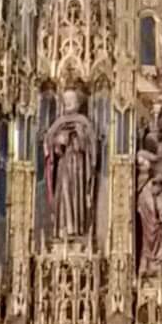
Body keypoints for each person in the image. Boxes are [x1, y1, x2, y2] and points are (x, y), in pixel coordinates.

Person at [44, 87, 98, 242]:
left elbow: (92, 147)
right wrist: (58, 142)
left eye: (71, 100)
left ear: (77, 103)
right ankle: (63, 228)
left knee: (76, 194)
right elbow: (48, 143)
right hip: (64, 163)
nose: (68, 103)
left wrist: (80, 138)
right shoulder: (59, 123)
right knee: (64, 192)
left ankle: (78, 228)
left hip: (79, 166)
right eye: (65, 100)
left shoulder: (84, 122)